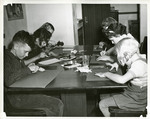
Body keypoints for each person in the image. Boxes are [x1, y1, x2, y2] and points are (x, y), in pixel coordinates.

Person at [4, 30, 64, 116]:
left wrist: (28, 67)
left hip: (22, 94)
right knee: (57, 104)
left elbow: (18, 70)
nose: (27, 55)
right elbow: (8, 80)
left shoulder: (16, 57)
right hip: (16, 99)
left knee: (55, 100)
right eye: (25, 51)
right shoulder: (5, 58)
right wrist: (28, 69)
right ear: (16, 46)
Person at [97, 37, 147, 117]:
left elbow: (121, 80)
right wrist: (116, 63)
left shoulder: (138, 66)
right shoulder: (138, 58)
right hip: (134, 94)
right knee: (102, 96)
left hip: (137, 100)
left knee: (102, 104)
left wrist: (106, 74)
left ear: (126, 55)